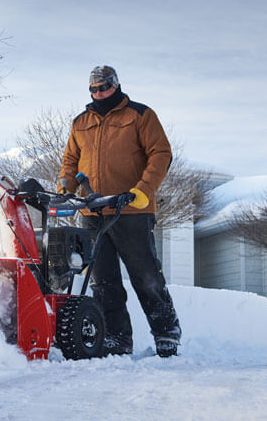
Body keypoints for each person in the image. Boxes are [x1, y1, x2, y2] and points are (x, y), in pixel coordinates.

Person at [58, 65, 181, 357]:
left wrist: (143, 190)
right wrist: (66, 191)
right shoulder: (80, 122)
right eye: (93, 89)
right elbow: (70, 162)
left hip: (131, 210)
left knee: (146, 276)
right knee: (103, 280)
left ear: (116, 85)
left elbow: (161, 153)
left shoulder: (140, 115)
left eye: (104, 87)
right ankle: (116, 337)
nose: (99, 93)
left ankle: (167, 333)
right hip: (92, 212)